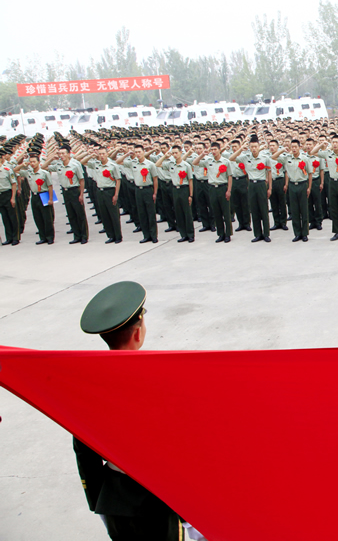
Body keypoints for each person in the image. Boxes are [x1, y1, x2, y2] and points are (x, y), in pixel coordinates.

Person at [75, 281, 185, 540]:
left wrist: (99, 500)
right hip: (160, 498)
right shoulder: (160, 382)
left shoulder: (87, 387)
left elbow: (84, 451)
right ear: (138, 334)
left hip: (115, 500)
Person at [14, 154, 54, 245]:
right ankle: (42, 237)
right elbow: (15, 170)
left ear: (39, 162)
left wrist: (51, 199)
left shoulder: (44, 173)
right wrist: (22, 165)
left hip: (44, 194)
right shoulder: (28, 172)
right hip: (34, 196)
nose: (32, 164)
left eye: (34, 162)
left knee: (47, 217)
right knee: (38, 217)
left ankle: (50, 237)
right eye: (31, 162)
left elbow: (50, 186)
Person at [0, 149, 19, 245]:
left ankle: (15, 237)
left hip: (7, 194)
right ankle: (9, 237)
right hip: (0, 196)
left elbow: (14, 184)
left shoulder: (7, 170)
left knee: (12, 216)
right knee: (5, 217)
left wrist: (13, 197)